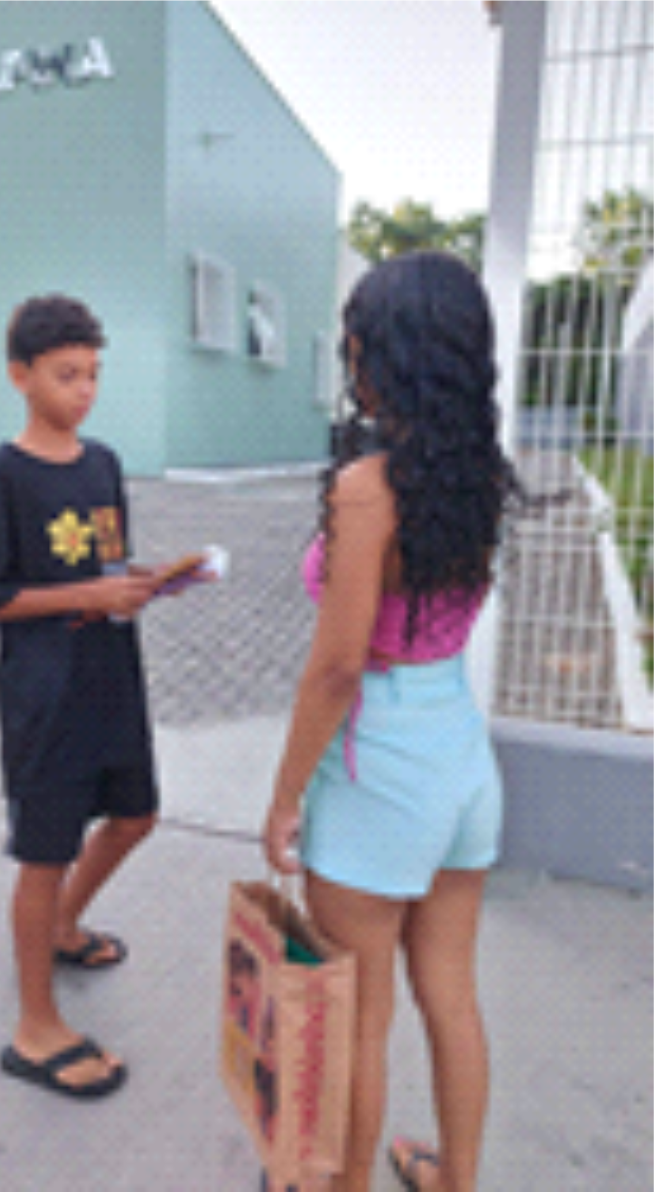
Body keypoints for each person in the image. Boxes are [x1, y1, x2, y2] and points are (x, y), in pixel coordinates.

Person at [263, 252, 521, 1192]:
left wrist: (284, 799)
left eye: (357, 343)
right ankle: (457, 1180)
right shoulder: (478, 474)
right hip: (460, 759)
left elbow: (337, 669)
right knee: (451, 996)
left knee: (359, 1020)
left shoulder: (369, 488)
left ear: (387, 355)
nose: (351, 360)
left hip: (380, 770)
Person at [0, 293, 176, 1100]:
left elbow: (105, 561)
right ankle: (35, 1027)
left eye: (92, 374)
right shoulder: (2, 476)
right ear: (20, 376)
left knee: (136, 817)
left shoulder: (103, 463)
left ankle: (61, 925)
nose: (84, 390)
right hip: (44, 697)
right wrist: (88, 593)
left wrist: (140, 581)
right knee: (44, 854)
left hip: (111, 679)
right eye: (65, 374)